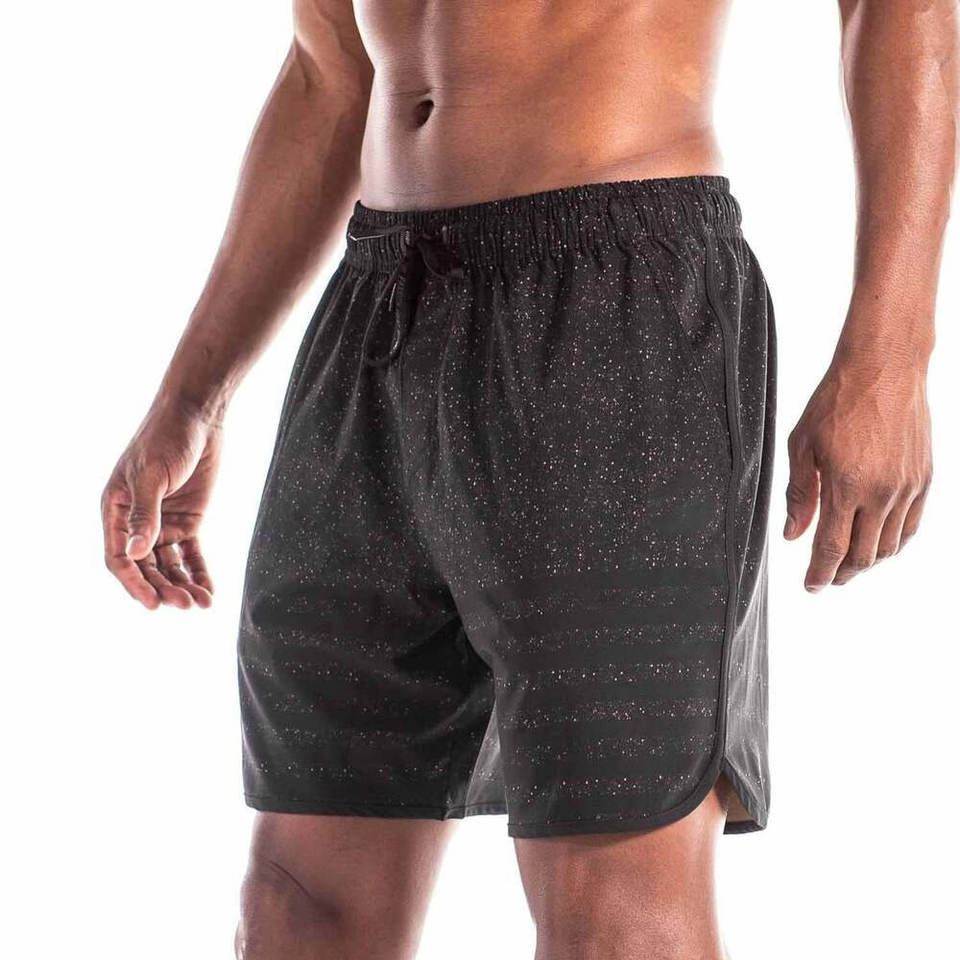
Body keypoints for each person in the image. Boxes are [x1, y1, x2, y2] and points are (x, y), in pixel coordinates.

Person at [101, 1, 956, 957]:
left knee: (614, 915)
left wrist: (890, 358)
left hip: (615, 304)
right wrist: (194, 395)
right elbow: (328, 74)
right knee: (297, 904)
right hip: (375, 315)